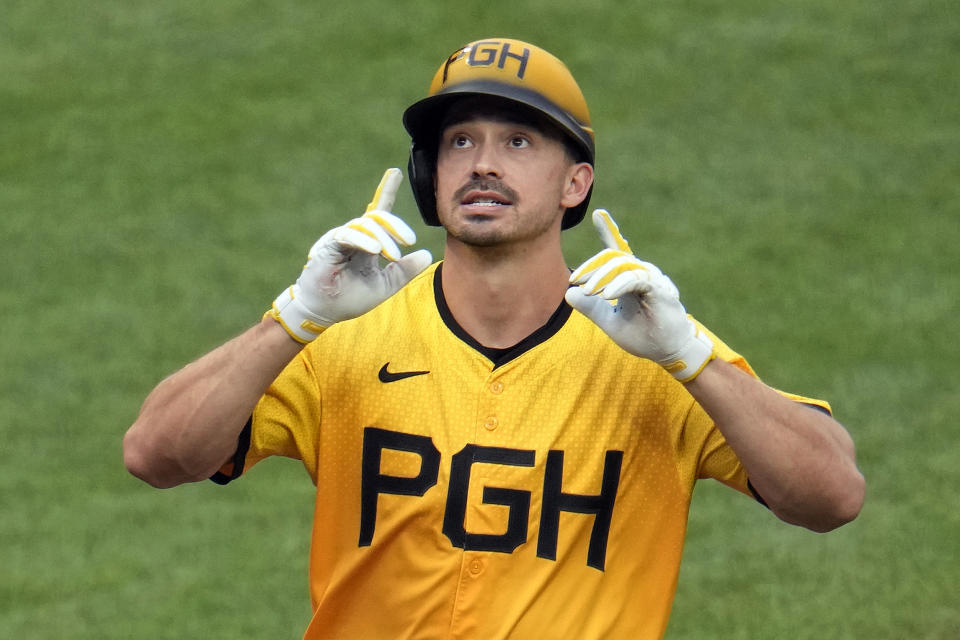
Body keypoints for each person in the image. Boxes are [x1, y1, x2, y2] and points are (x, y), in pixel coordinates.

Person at [123, 37, 865, 639]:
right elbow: (155, 455)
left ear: (575, 184)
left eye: (517, 141)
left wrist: (695, 360)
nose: (482, 163)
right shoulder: (343, 338)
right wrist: (293, 319)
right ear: (429, 174)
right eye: (460, 142)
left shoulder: (652, 349)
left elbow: (832, 497)